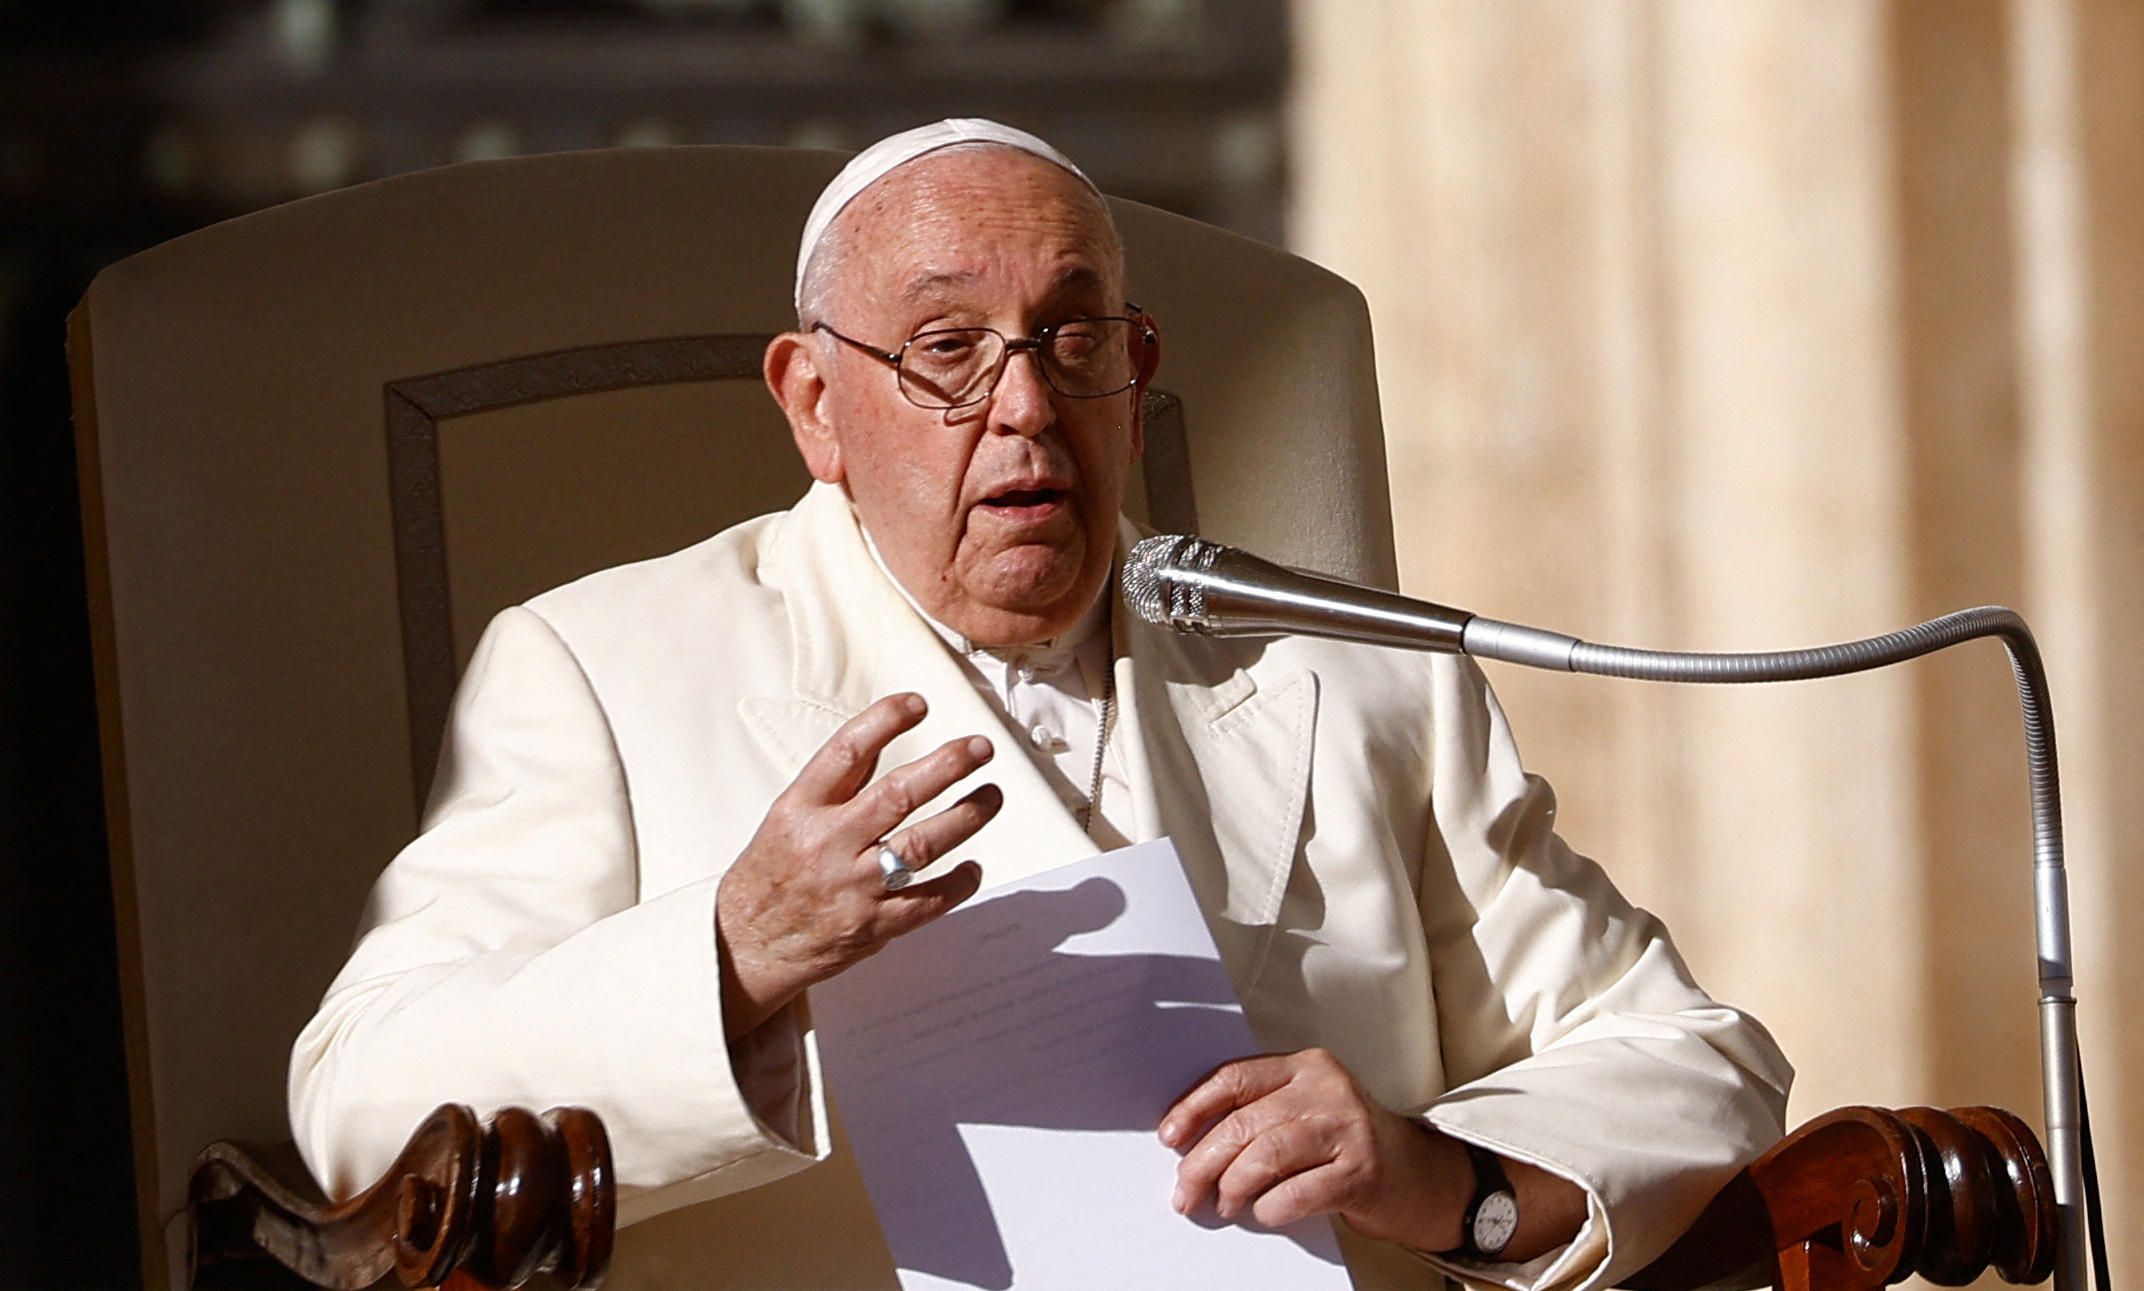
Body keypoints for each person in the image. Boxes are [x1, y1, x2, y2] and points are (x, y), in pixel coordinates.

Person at [290, 119, 1790, 1291]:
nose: (1024, 405)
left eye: (1074, 340)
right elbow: (361, 1098)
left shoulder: (1353, 671)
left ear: (1135, 380)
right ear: (814, 401)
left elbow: (1693, 1062)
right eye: (947, 350)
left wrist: (1438, 1175)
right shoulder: (603, 669)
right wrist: (729, 961)